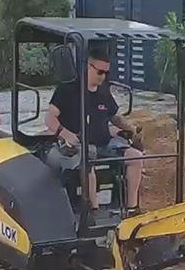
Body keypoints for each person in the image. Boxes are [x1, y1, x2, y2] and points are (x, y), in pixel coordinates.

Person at [45, 44, 143, 214]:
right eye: (100, 72)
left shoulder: (103, 92)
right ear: (87, 66)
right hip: (76, 146)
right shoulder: (68, 89)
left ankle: (132, 208)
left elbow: (114, 116)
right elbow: (50, 118)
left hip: (104, 144)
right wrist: (66, 135)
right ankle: (93, 210)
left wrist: (131, 128)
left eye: (106, 73)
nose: (103, 77)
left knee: (136, 156)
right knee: (88, 155)